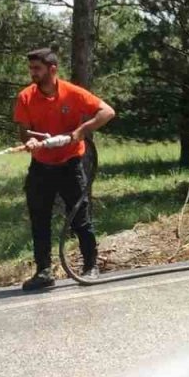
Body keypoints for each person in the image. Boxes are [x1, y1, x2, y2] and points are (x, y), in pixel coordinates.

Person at [14, 48, 116, 290]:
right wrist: (29, 140)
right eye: (31, 69)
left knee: (80, 218)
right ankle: (44, 272)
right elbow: (24, 130)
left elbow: (107, 112)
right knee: (39, 220)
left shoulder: (72, 93)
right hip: (41, 167)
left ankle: (91, 266)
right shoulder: (25, 97)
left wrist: (80, 131)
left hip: (70, 165)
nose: (32, 73)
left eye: (37, 69)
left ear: (52, 69)